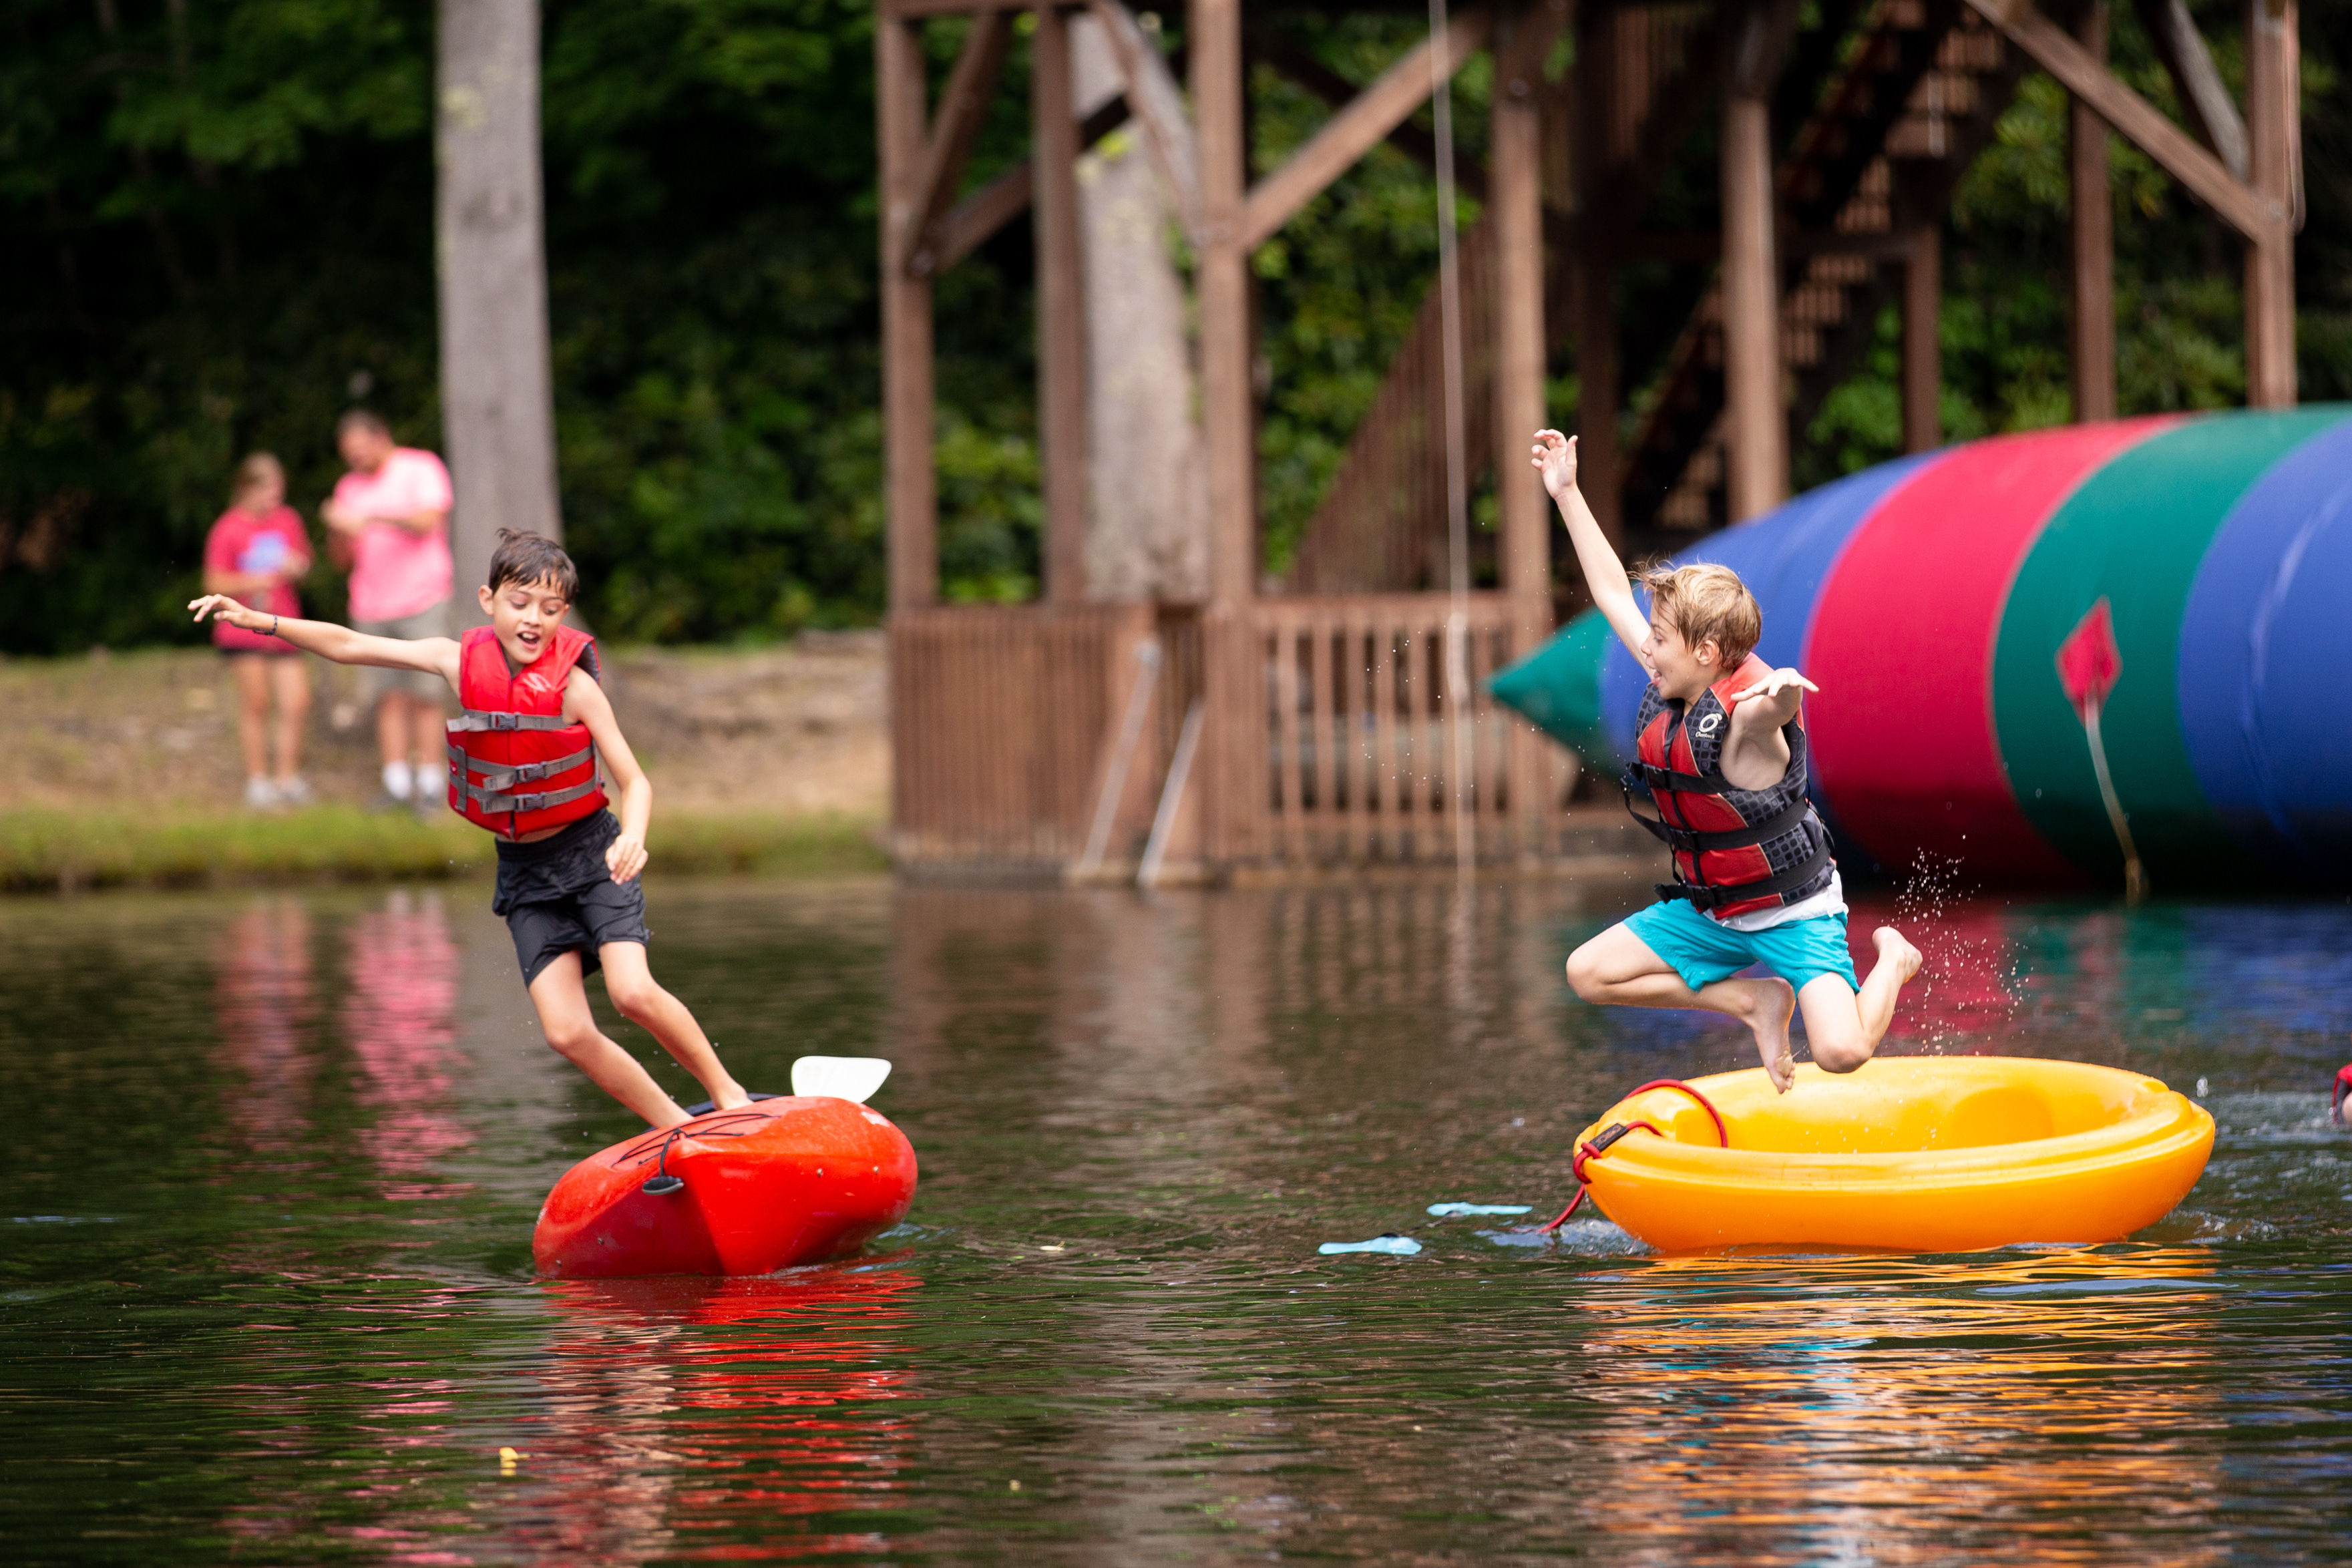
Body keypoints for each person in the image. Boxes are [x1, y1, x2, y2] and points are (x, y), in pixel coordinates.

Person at [188, 530, 751, 1129]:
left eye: (550, 608)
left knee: (631, 994)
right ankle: (674, 1126)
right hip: (526, 874)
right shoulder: (457, 662)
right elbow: (350, 644)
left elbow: (635, 781)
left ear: (564, 613)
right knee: (565, 1032)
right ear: (489, 599)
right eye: (519, 603)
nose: (533, 619)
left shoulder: (576, 688)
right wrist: (262, 620)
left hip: (593, 856)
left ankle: (728, 1093)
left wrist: (632, 835)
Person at [1533, 428, 1922, 1093]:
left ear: (1708, 654)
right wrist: (1567, 493)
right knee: (1587, 971)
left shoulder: (1743, 725)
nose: (1646, 649)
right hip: (1715, 911)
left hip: (1794, 911)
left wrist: (1782, 697)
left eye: (1659, 639)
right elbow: (1609, 593)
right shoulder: (1672, 673)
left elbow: (1761, 724)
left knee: (1843, 1051)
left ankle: (1895, 958)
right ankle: (1753, 1001)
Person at [321, 409, 454, 817]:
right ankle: (396, 785)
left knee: (427, 696)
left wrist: (372, 516)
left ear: (382, 437)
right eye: (349, 454)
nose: (356, 459)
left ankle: (432, 785)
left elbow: (428, 520)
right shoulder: (348, 486)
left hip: (422, 597)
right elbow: (340, 559)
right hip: (371, 602)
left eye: (361, 449)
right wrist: (339, 530)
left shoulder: (420, 466)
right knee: (386, 696)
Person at [202, 453, 315, 808]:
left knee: (296, 701)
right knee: (257, 703)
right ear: (246, 488)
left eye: (278, 490)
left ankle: (286, 779)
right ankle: (258, 782)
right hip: (242, 630)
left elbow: (304, 563)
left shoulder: (288, 520)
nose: (274, 498)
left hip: (284, 625)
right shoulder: (228, 527)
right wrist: (257, 579)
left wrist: (297, 567)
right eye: (267, 490)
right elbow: (214, 580)